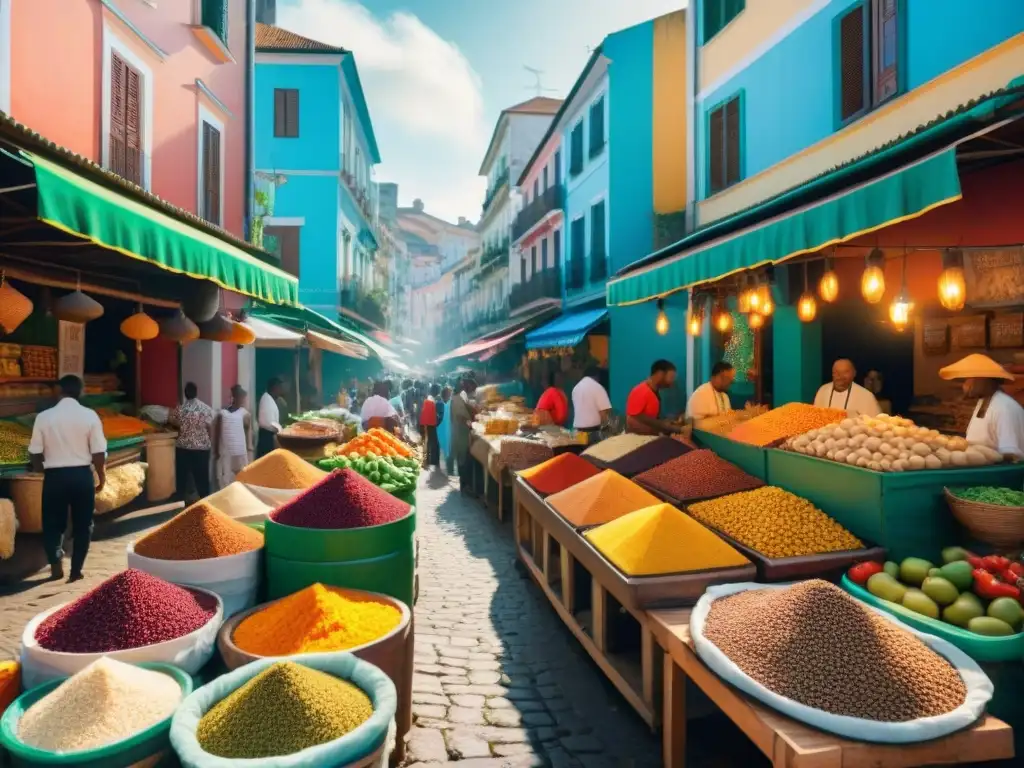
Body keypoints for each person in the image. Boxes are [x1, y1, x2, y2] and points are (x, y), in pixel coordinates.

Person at [28, 375, 107, 582]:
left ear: (59, 391)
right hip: (82, 476)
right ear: (80, 392)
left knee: (53, 522)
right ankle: (76, 570)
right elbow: (98, 452)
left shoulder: (44, 417)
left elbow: (35, 453)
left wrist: (44, 471)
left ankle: (55, 564)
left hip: (55, 476)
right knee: (83, 524)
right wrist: (102, 477)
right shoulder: (90, 416)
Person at [939, 354, 1024, 459]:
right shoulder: (984, 402)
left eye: (970, 378)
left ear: (984, 380)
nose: (966, 384)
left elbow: (1011, 454)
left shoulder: (1004, 408)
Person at [169, 382, 214, 500]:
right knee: (202, 476)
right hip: (201, 448)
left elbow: (172, 420)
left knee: (182, 476)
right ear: (196, 392)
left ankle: (180, 498)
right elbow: (210, 426)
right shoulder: (205, 408)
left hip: (183, 447)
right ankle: (205, 499)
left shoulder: (180, 409)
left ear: (185, 394)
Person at [626, 360, 684, 435]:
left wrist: (667, 423)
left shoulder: (654, 391)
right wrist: (664, 425)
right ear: (660, 374)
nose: (671, 383)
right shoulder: (641, 391)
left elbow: (651, 418)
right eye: (671, 377)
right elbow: (633, 418)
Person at [813, 358, 881, 417]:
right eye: (836, 372)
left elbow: (875, 425)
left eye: (845, 372)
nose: (840, 376)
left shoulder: (866, 396)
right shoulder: (823, 391)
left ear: (854, 373)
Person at [215, 385, 252, 487]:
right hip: (227, 451)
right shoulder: (222, 414)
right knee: (226, 476)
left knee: (242, 476)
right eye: (241, 397)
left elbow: (248, 432)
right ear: (234, 397)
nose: (243, 400)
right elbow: (218, 433)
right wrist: (216, 450)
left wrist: (249, 448)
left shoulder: (245, 414)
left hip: (240, 451)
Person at [449, 377, 478, 495]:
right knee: (464, 460)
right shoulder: (457, 399)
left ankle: (465, 485)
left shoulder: (459, 398)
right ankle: (465, 486)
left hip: (460, 434)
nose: (466, 387)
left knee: (463, 459)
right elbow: (461, 417)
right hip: (461, 434)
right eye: (464, 385)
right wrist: (471, 424)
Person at [572, 367, 613, 433]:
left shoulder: (576, 388)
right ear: (597, 376)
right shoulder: (598, 387)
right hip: (594, 430)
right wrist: (606, 428)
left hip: (578, 430)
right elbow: (603, 412)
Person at [257, 377, 285, 458]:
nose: (281, 390)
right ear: (274, 388)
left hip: (269, 436)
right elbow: (267, 422)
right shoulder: (266, 400)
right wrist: (280, 429)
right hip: (266, 437)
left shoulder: (271, 399)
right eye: (279, 387)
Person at [420, 384, 441, 468]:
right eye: (438, 391)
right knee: (432, 442)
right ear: (435, 391)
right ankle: (430, 461)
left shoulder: (430, 399)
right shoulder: (430, 400)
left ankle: (429, 460)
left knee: (429, 442)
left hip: (428, 423)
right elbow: (430, 414)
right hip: (430, 424)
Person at [438, 386, 454, 474]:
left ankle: (448, 470)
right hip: (448, 431)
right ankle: (449, 470)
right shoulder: (448, 404)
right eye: (450, 393)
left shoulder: (442, 404)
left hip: (444, 432)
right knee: (449, 452)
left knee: (446, 452)